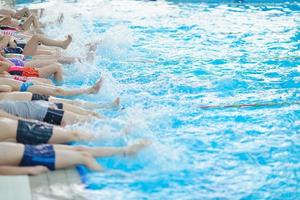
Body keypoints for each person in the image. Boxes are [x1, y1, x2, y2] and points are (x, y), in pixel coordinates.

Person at [0, 140, 150, 175]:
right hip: (30, 158)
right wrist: (29, 170)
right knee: (84, 157)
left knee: (80, 149)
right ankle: (115, 177)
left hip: (30, 149)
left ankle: (124, 151)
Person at [0, 100, 103, 126]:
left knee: (88, 117)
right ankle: (112, 123)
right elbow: (16, 120)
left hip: (41, 107)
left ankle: (111, 117)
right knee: (86, 119)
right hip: (41, 111)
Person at [0, 91, 121, 111]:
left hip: (29, 98)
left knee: (72, 104)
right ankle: (107, 107)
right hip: (28, 104)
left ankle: (107, 106)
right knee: (72, 106)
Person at [0, 76, 103, 97]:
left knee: (58, 90)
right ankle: (89, 90)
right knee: (58, 91)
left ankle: (88, 91)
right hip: (25, 88)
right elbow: (8, 89)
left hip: (26, 83)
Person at [0, 33, 72, 56]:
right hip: (19, 56)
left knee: (54, 52)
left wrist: (11, 40)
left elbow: (8, 36)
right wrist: (7, 39)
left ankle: (79, 59)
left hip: (18, 50)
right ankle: (62, 44)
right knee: (36, 37)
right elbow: (2, 45)